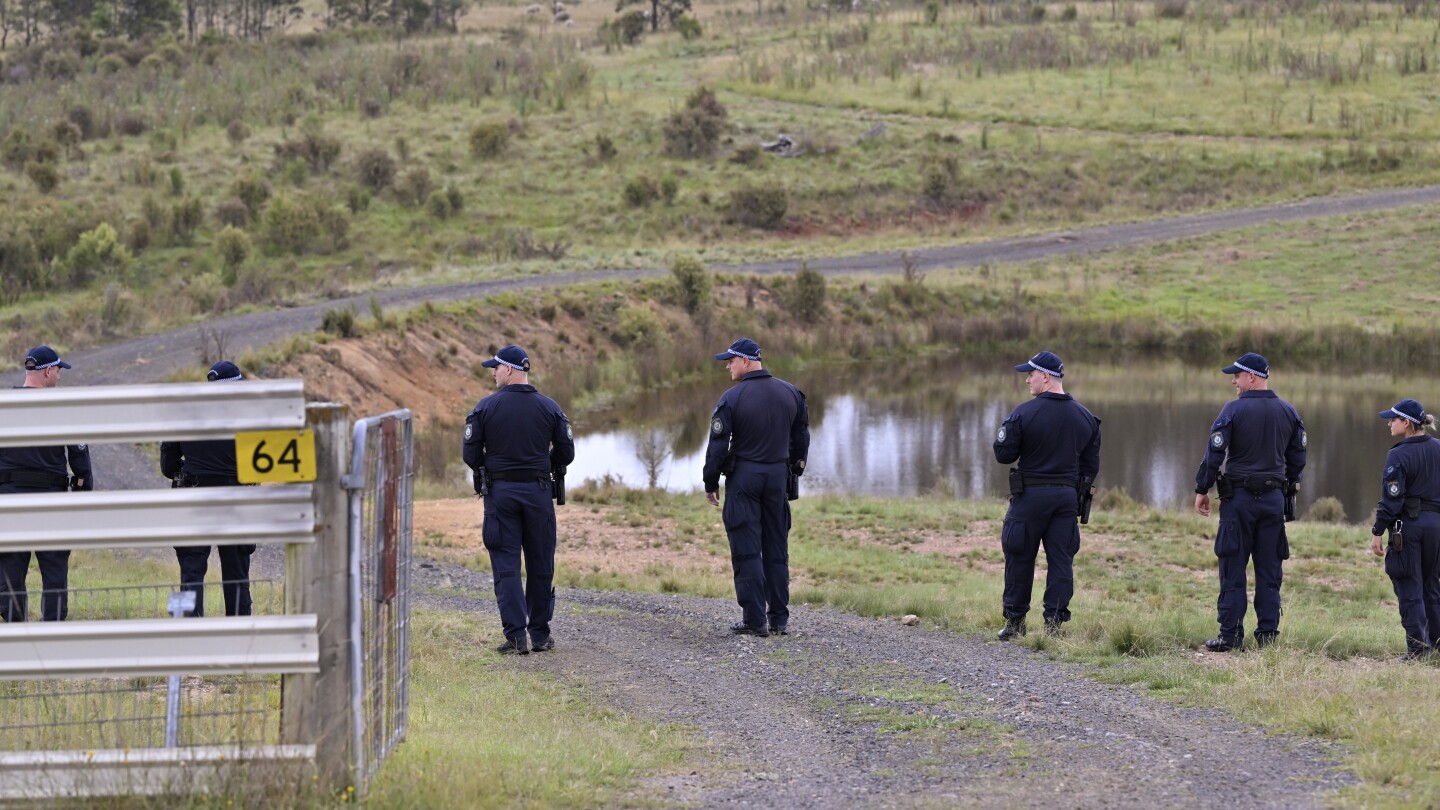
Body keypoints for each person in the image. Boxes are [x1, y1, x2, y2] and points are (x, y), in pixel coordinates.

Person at [463, 345, 574, 655]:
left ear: (509, 370)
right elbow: (567, 453)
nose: (493, 373)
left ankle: (516, 637)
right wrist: (542, 465)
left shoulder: (484, 408)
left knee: (507, 565)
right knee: (541, 564)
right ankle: (540, 635)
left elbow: (470, 455)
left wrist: (496, 465)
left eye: (496, 368)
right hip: (538, 494)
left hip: (501, 496)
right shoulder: (550, 408)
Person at [1194, 352, 1306, 652]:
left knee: (1232, 567)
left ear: (1252, 377)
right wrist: (1287, 489)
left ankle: (1230, 636)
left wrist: (1202, 488)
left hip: (1238, 502)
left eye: (1237, 375)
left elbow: (1214, 454)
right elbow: (1298, 459)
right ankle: (1268, 637)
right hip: (1273, 501)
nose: (1234, 380)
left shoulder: (1233, 411)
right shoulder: (1289, 412)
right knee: (1270, 571)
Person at [703, 338, 810, 637]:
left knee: (747, 550)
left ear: (746, 362)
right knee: (777, 547)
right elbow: (801, 439)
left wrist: (710, 481)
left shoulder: (732, 398)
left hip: (744, 480)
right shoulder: (791, 393)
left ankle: (755, 620)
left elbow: (718, 446)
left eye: (731, 361)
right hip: (777, 477)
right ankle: (779, 619)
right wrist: (794, 472)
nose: (727, 366)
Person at [992, 351, 1101, 640]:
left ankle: (1015, 623)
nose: (1027, 379)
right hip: (1066, 499)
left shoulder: (1023, 413)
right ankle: (1054, 624)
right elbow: (1091, 468)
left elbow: (1003, 454)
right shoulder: (1087, 418)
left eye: (1030, 374)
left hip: (1030, 497)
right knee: (1061, 560)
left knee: (1019, 555)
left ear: (1046, 376)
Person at [0, 346, 93, 622]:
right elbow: (81, 465)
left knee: (10, 570)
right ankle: (52, 630)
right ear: (48, 371)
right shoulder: (62, 410)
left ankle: (16, 631)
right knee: (54, 571)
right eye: (59, 370)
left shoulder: (5, 406)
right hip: (50, 504)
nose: (61, 376)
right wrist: (80, 499)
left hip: (10, 503)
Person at [159, 360, 255, 618]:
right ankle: (241, 630)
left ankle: (184, 629)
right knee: (237, 572)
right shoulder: (249, 416)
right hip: (236, 500)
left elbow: (168, 466)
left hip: (192, 497)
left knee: (189, 569)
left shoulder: (184, 414)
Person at [1369, 399, 1440, 660]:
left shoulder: (1398, 454)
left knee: (1410, 587)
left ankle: (1417, 650)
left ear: (1406, 423)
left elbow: (1392, 499)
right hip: (1437, 528)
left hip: (1410, 527)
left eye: (1393, 419)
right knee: (1432, 587)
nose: (1389, 423)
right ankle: (1436, 644)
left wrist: (1378, 531)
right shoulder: (1438, 448)